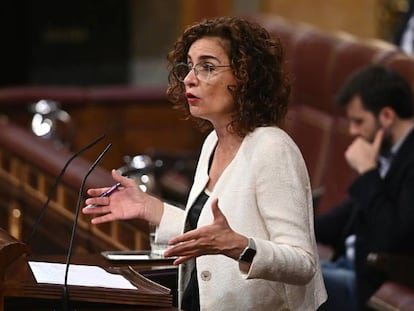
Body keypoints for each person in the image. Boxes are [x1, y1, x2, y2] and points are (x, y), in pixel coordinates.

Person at [83, 16, 327, 311]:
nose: (189, 78)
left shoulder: (272, 148)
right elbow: (209, 235)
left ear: (245, 77)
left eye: (208, 67)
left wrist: (238, 246)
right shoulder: (213, 141)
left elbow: (302, 262)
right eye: (189, 65)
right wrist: (151, 209)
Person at [315, 65, 414, 311]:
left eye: (359, 122)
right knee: (266, 267)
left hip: (371, 280)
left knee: (275, 281)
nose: (353, 132)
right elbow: (350, 212)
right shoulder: (389, 152)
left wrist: (368, 173)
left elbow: (394, 238)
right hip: (347, 265)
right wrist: (296, 228)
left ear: (387, 116)